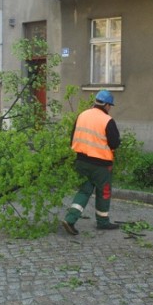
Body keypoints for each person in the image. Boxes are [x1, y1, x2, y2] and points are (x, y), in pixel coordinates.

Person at [62, 90, 121, 235]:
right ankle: (103, 222)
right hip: (100, 164)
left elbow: (72, 138)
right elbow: (114, 143)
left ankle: (70, 219)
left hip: (81, 161)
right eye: (110, 106)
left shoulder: (82, 115)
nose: (110, 108)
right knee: (104, 192)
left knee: (84, 190)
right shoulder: (107, 120)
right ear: (106, 105)